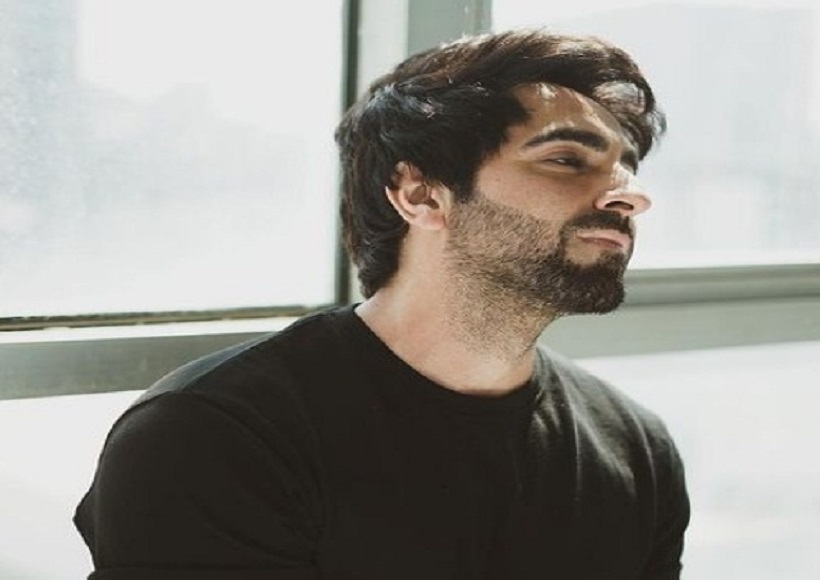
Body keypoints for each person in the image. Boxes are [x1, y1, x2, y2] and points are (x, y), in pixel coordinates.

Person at [75, 28, 690, 579]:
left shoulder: (635, 446)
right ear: (419, 193)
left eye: (626, 169)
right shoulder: (214, 436)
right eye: (566, 159)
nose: (630, 196)